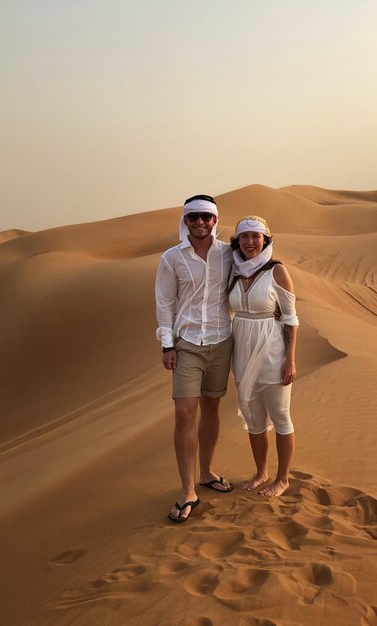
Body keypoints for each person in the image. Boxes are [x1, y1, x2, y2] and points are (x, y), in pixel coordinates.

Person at [155, 194, 234, 523]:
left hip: (221, 341)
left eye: (206, 217)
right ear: (184, 221)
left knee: (212, 409)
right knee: (185, 413)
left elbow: (256, 274)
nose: (200, 223)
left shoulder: (229, 254)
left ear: (215, 219)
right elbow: (164, 302)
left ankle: (206, 473)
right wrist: (166, 344)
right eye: (193, 217)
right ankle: (188, 490)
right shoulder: (171, 258)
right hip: (186, 343)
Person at [228, 216, 298, 497]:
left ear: (266, 240)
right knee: (253, 418)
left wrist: (290, 360)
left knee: (281, 416)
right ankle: (261, 473)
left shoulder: (277, 270)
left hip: (272, 350)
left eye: (256, 236)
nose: (250, 242)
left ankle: (283, 479)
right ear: (238, 241)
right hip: (241, 351)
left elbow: (291, 318)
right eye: (244, 237)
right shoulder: (233, 270)